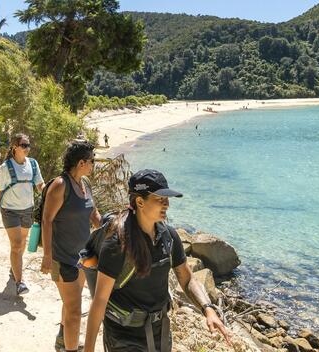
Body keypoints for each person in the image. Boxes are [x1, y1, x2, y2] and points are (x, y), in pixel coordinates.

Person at [83, 170, 232, 352]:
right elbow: (99, 300)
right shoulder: (118, 243)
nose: (167, 205)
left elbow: (187, 279)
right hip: (123, 336)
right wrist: (88, 349)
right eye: (160, 199)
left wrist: (208, 308)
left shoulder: (169, 236)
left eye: (167, 199)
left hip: (160, 331)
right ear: (140, 202)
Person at [41, 141, 102, 352]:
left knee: (70, 303)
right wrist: (47, 256)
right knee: (75, 310)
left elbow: (94, 215)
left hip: (83, 256)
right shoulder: (60, 185)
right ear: (82, 162)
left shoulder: (85, 184)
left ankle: (63, 339)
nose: (94, 165)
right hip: (62, 257)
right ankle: (70, 348)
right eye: (92, 161)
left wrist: (114, 231)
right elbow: (47, 220)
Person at [0, 133, 44, 295]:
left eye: (28, 145)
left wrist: (52, 196)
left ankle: (14, 268)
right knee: (16, 244)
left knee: (22, 244)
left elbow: (40, 186)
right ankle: (20, 282)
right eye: (24, 145)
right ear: (14, 147)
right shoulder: (5, 168)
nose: (27, 148)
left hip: (27, 210)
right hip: (10, 211)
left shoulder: (33, 164)